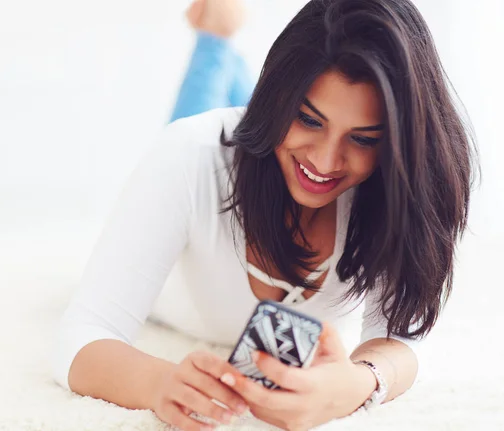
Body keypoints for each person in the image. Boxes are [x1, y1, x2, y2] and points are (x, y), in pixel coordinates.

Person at [52, 1, 476, 430]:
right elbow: (81, 335)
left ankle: (241, 67)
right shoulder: (189, 156)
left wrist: (359, 383)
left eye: (363, 139)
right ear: (276, 99)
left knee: (275, 146)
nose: (328, 161)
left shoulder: (396, 188)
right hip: (224, 157)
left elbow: (399, 338)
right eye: (309, 119)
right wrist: (160, 382)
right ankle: (216, 40)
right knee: (199, 125)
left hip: (267, 146)